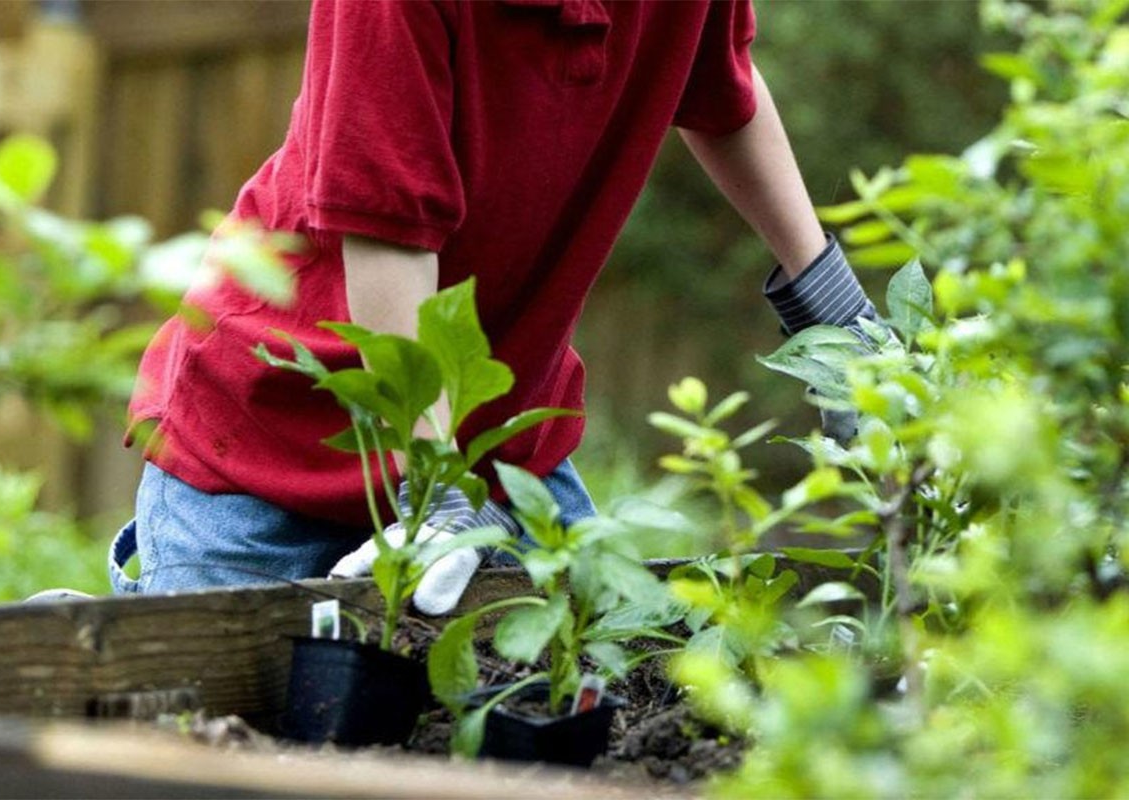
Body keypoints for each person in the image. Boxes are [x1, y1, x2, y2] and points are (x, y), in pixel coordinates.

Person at [108, 0, 878, 612]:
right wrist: (435, 487)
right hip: (272, 452)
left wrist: (843, 325)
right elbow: (388, 227)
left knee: (589, 709)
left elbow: (720, 89)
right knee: (226, 746)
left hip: (496, 456)